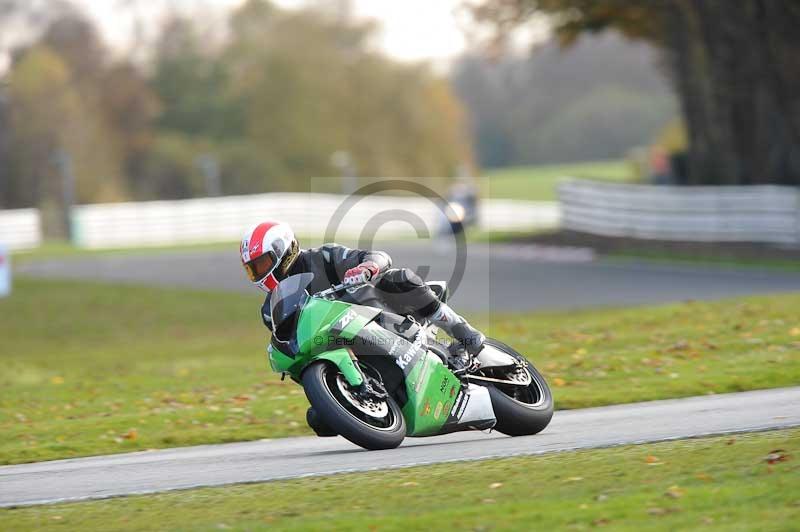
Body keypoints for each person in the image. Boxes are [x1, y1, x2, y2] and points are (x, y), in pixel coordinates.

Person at [240, 220, 485, 356]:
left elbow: (377, 255)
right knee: (319, 420)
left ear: (285, 250)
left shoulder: (323, 257)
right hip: (342, 346)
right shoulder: (270, 309)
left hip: (379, 314)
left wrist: (366, 268)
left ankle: (461, 330)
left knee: (399, 278)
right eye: (253, 269)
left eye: (263, 263)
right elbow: (291, 347)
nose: (260, 273)